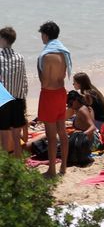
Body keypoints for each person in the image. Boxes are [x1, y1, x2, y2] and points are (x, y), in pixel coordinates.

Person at [37, 21, 71, 177]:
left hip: (49, 94)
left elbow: (44, 81)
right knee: (62, 131)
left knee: (51, 135)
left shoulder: (47, 55)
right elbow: (63, 75)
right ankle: (63, 166)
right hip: (61, 93)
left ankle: (51, 169)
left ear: (45, 35)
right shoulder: (63, 53)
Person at [0, 26, 28, 158]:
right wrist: (23, 99)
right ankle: (18, 161)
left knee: (4, 134)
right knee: (16, 134)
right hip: (18, 98)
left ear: (2, 39)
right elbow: (24, 80)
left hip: (3, 99)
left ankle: (6, 165)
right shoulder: (20, 57)